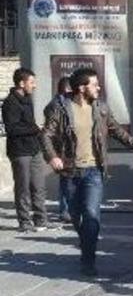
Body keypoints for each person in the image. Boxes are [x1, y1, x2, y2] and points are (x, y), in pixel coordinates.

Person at [42, 67, 133, 275]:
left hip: (94, 171)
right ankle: (87, 245)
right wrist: (53, 156)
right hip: (70, 171)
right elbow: (46, 135)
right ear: (82, 88)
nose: (98, 87)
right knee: (75, 216)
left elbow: (117, 130)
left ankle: (88, 260)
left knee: (91, 215)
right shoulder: (60, 108)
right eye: (94, 84)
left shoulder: (101, 108)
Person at [2, 68, 48, 232]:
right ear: (21, 83)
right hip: (20, 151)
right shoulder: (10, 103)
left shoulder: (27, 99)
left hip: (34, 149)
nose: (34, 86)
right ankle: (25, 222)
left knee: (38, 185)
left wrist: (36, 131)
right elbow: (12, 129)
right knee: (23, 187)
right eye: (32, 82)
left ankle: (41, 220)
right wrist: (35, 129)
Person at [44, 76, 74, 223]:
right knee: (66, 181)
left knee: (67, 180)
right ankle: (65, 210)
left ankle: (66, 210)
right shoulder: (56, 105)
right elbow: (51, 131)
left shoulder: (62, 103)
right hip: (61, 148)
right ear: (66, 89)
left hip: (65, 147)